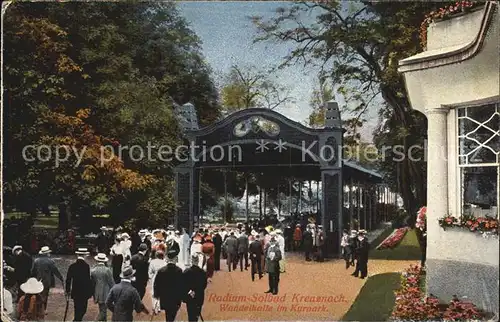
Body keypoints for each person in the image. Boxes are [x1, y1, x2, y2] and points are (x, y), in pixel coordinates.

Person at [154, 248, 185, 322]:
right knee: (172, 315)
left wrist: (157, 295)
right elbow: (182, 285)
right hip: (176, 297)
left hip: (165, 297)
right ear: (175, 258)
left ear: (167, 258)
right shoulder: (179, 270)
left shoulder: (161, 270)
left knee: (168, 314)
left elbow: (156, 284)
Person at [31, 246, 64, 312]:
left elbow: (32, 272)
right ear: (47, 253)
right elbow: (55, 271)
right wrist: (61, 278)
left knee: (38, 295)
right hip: (46, 282)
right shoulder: (50, 261)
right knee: (45, 296)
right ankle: (43, 309)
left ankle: (37, 309)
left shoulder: (36, 261)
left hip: (38, 281)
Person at [65, 248, 93, 321]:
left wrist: (67, 290)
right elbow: (87, 280)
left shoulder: (72, 266)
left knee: (77, 308)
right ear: (84, 255)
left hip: (75, 290)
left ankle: (77, 319)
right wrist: (90, 291)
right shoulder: (86, 266)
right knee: (83, 309)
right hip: (84, 292)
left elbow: (68, 279)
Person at [183, 254, 208, 322]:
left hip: (190, 297)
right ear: (197, 261)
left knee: (190, 315)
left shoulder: (186, 272)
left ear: (191, 261)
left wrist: (190, 291)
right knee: (196, 315)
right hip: (199, 297)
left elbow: (183, 284)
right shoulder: (202, 272)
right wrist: (196, 292)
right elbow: (204, 285)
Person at [91, 253, 115, 321]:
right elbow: (111, 283)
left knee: (102, 309)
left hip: (97, 293)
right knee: (103, 312)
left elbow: (93, 283)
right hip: (106, 293)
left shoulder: (93, 270)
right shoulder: (107, 270)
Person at [148, 251, 167, 315]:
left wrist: (151, 277)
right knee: (161, 292)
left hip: (154, 277)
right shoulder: (164, 262)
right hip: (163, 279)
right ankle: (158, 307)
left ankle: (154, 307)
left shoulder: (152, 262)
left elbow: (150, 272)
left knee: (154, 292)